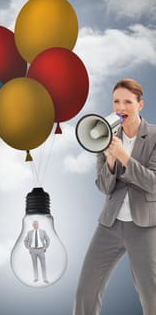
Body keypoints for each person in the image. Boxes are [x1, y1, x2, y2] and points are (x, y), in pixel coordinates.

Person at [73, 78, 156, 315]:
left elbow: (152, 183)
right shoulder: (105, 135)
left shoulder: (154, 136)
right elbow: (103, 186)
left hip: (145, 226)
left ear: (140, 105)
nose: (120, 108)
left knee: (151, 295)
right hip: (110, 224)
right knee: (86, 291)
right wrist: (110, 160)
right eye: (116, 102)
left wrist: (123, 156)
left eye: (127, 102)